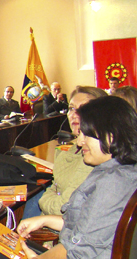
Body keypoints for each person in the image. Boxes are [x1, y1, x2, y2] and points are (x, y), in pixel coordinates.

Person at [0, 96, 137, 259]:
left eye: (86, 134)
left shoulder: (113, 183)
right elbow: (92, 226)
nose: (80, 142)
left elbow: (79, 251)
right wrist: (45, 219)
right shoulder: (132, 169)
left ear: (111, 135)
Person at [35, 86, 106, 217]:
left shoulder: (94, 155)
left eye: (83, 109)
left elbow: (63, 207)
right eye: (71, 108)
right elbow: (55, 187)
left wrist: (44, 199)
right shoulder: (76, 148)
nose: (74, 115)